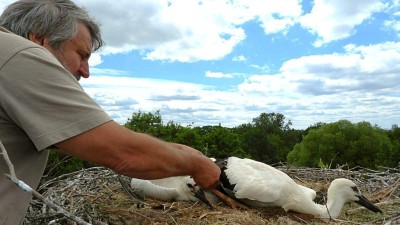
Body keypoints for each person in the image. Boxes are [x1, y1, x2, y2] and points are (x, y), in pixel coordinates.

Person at [0, 0, 220, 224]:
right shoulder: (21, 56)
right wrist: (198, 164)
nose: (85, 72)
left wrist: (183, 151)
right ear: (39, 39)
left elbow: (87, 137)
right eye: (82, 55)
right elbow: (124, 154)